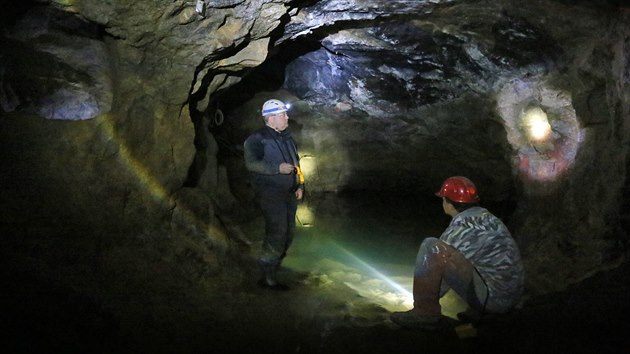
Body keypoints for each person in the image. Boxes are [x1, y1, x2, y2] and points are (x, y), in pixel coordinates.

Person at [391, 176, 524, 329]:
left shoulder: (460, 229)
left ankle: (424, 313)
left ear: (448, 203)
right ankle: (479, 311)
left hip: (495, 300)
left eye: (443, 199)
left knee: (431, 246)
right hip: (512, 296)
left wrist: (425, 294)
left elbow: (440, 268)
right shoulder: (488, 218)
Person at [243, 99, 304, 290]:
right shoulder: (257, 138)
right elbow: (251, 163)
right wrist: (277, 168)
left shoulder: (286, 137)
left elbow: (296, 162)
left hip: (288, 193)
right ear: (270, 118)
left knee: (289, 234)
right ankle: (266, 276)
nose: (287, 117)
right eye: (282, 115)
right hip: (270, 193)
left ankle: (274, 266)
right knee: (277, 233)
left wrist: (300, 184)